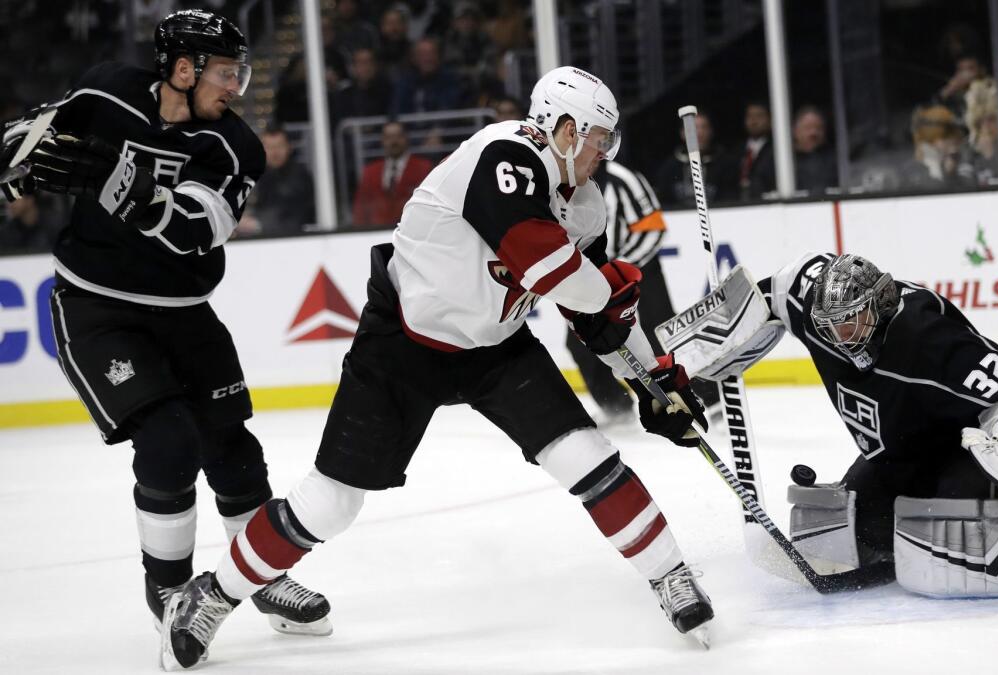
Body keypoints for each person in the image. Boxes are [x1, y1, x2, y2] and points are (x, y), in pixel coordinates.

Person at [160, 66, 716, 669]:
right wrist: (607, 296)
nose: (605, 152)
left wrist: (652, 377)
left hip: (496, 347)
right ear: (564, 128)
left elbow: (600, 321)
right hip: (404, 341)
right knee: (330, 503)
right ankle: (208, 596)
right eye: (599, 137)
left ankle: (671, 575)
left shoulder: (584, 206)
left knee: (588, 457)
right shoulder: (505, 153)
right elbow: (557, 272)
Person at [0, 8, 334, 645]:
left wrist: (122, 187)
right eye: (226, 72)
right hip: (97, 309)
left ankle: (256, 573)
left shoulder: (235, 147)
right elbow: (34, 137)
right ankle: (172, 592)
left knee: (234, 447)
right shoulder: (106, 91)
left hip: (185, 313)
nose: (236, 86)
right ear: (183, 69)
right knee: (168, 442)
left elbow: (194, 231)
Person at [661, 253, 998, 595]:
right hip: (897, 451)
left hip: (959, 447)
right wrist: (682, 365)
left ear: (879, 307)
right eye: (829, 326)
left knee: (953, 529)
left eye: (850, 323)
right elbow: (765, 295)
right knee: (864, 527)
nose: (840, 337)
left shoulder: (925, 338)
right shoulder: (814, 299)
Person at [565, 158, 718, 427]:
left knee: (661, 335)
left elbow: (653, 228)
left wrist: (621, 267)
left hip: (636, 271)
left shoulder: (623, 177)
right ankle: (616, 408)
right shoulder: (564, 182)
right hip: (592, 279)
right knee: (582, 343)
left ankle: (710, 399)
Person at [351, 120, 434, 227]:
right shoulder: (370, 172)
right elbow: (360, 210)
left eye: (398, 136)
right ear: (382, 140)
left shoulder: (423, 168)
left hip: (412, 233)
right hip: (375, 235)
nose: (394, 141)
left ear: (406, 138)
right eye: (389, 137)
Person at [238, 127, 315, 236]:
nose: (274, 152)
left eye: (279, 146)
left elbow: (292, 215)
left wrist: (256, 224)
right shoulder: (257, 174)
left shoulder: (299, 176)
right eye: (269, 147)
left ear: (289, 147)